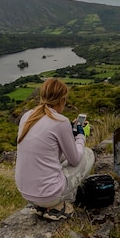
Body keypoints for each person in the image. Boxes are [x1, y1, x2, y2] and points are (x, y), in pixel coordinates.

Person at [15, 77, 95, 220]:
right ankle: (58, 205)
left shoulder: (27, 116)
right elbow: (75, 160)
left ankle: (43, 205)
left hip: (25, 192)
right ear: (62, 100)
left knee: (62, 159)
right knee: (88, 153)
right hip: (48, 196)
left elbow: (49, 150)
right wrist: (81, 135)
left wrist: (69, 131)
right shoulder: (60, 121)